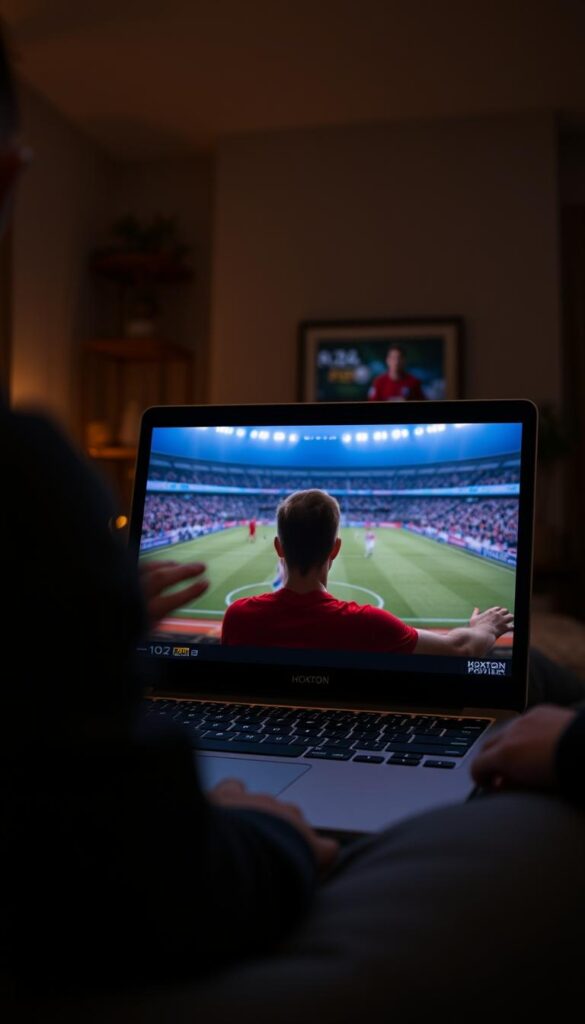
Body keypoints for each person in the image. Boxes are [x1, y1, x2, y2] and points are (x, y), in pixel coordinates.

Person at [1, 29, 584, 1023]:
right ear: (11, 174)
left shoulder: (231, 616)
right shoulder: (22, 483)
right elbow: (158, 880)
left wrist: (64, 631)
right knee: (537, 743)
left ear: (273, 547)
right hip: (200, 923)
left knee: (542, 682)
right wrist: (254, 828)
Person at [222, 489, 513, 656]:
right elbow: (460, 648)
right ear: (335, 549)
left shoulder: (238, 617)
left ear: (278, 548)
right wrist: (486, 628)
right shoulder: (370, 624)